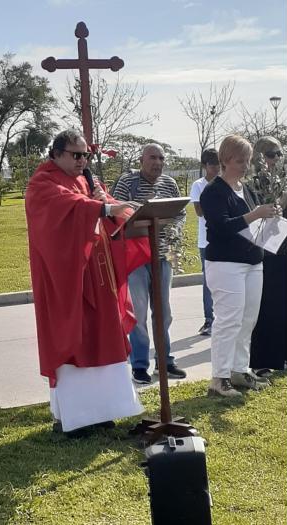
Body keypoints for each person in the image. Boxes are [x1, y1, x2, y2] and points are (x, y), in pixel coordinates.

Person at [25, 129, 148, 436]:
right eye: (76, 155)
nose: (82, 161)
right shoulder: (43, 181)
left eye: (86, 156)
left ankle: (104, 409)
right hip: (68, 279)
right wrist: (102, 207)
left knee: (104, 336)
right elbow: (65, 206)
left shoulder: (85, 179)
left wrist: (112, 205)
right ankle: (77, 416)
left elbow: (100, 201)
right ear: (56, 154)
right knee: (76, 339)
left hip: (98, 276)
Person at [199, 135, 280, 397]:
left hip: (253, 261)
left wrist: (270, 215)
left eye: (247, 160)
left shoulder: (246, 189)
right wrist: (255, 214)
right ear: (224, 160)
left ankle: (240, 369)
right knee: (228, 320)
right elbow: (222, 226)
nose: (245, 165)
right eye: (239, 160)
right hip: (225, 263)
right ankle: (219, 379)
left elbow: (254, 224)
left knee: (248, 319)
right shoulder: (213, 191)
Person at [112, 144, 188, 385]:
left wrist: (173, 228)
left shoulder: (169, 184)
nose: (158, 162)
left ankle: (165, 361)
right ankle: (140, 365)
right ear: (141, 159)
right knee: (139, 312)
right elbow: (116, 215)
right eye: (153, 157)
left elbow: (180, 214)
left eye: (161, 158)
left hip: (163, 256)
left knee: (163, 312)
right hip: (136, 257)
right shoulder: (127, 183)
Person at [248, 136, 287, 377]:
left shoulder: (283, 179)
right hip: (266, 250)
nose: (277, 159)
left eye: (280, 154)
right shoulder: (253, 183)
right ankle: (263, 359)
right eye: (272, 154)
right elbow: (268, 210)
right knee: (267, 306)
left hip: (285, 250)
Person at [189, 148, 221, 337]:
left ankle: (223, 318)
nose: (215, 168)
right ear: (204, 165)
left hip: (224, 238)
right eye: (211, 164)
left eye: (218, 164)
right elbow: (199, 211)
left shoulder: (226, 183)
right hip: (206, 240)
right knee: (208, 281)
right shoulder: (198, 185)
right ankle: (209, 319)